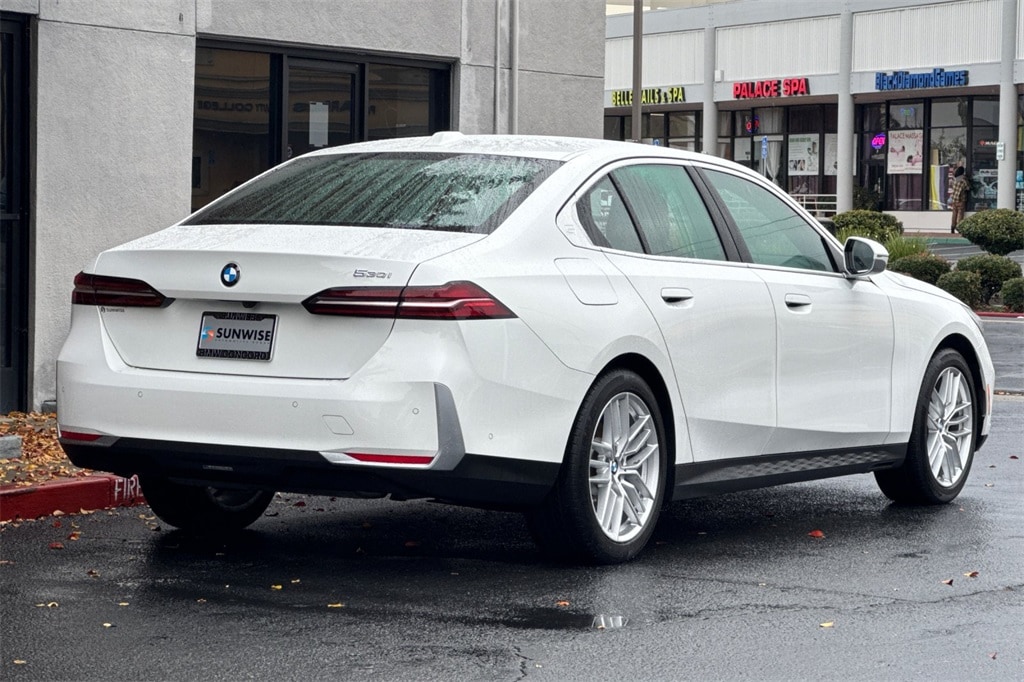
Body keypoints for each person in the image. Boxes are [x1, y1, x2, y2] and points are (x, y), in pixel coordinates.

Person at [949, 166, 969, 233]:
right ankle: (959, 227)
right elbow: (968, 187)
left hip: (954, 199)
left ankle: (952, 226)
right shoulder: (963, 180)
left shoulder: (954, 179)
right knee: (960, 213)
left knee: (954, 213)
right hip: (961, 199)